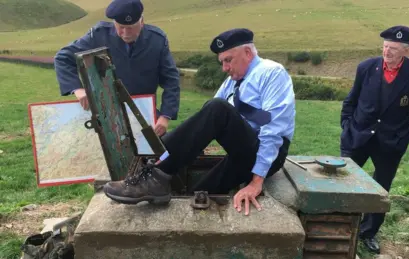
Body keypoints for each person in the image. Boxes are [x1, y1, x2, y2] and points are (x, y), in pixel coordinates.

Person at [103, 28, 296, 216]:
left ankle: (155, 176)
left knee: (218, 108)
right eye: (222, 62)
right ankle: (153, 164)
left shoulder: (271, 73)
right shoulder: (232, 81)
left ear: (247, 52)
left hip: (266, 154)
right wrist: (192, 145)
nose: (225, 68)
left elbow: (273, 129)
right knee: (199, 193)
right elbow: (207, 118)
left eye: (228, 60)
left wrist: (256, 181)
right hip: (241, 151)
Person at [340, 25, 409, 253]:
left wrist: (403, 138)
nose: (387, 52)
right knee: (344, 182)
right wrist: (347, 126)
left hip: (391, 142)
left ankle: (369, 232)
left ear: (406, 50)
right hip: (357, 136)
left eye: (393, 48)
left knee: (381, 188)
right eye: (385, 47)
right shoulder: (366, 67)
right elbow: (351, 99)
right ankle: (340, 224)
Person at [53, 0, 180, 136]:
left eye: (131, 27)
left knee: (160, 155)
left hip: (144, 113)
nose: (126, 33)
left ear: (141, 22)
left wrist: (165, 116)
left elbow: (171, 80)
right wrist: (78, 89)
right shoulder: (98, 35)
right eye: (121, 27)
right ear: (114, 23)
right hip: (107, 114)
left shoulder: (157, 40)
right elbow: (63, 58)